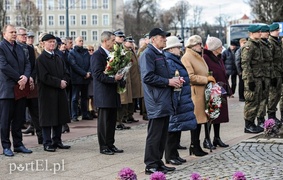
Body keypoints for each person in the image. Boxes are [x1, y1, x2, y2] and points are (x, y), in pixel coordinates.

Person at [140, 28, 182, 175]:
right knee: (155, 134)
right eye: (162, 37)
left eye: (165, 37)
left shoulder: (160, 53)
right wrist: (168, 82)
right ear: (153, 39)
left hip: (164, 99)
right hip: (156, 100)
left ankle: (158, 162)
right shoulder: (148, 54)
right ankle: (150, 164)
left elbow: (164, 74)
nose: (165, 39)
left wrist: (175, 80)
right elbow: (148, 77)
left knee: (162, 133)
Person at [164, 36, 197, 165]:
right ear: (171, 49)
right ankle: (170, 155)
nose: (180, 49)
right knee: (172, 128)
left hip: (180, 97)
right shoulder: (170, 61)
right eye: (178, 47)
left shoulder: (174, 60)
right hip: (176, 99)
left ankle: (174, 154)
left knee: (176, 128)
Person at [0, 24, 32, 156]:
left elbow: (27, 63)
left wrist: (25, 76)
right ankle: (6, 146)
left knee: (19, 118)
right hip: (7, 89)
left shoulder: (19, 48)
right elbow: (3, 66)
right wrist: (19, 77)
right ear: (4, 34)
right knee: (5, 120)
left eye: (15, 32)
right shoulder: (1, 47)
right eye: (11, 32)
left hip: (20, 88)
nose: (14, 34)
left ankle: (18, 144)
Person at [90, 31, 124, 155]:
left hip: (113, 92)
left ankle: (110, 143)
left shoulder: (113, 54)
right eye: (112, 40)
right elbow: (97, 75)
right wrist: (113, 79)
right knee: (104, 122)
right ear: (105, 41)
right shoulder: (97, 55)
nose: (114, 43)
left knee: (111, 120)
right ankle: (103, 146)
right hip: (103, 93)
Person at [36, 34, 71, 152]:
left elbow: (66, 72)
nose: (52, 44)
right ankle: (47, 142)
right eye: (49, 42)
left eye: (53, 42)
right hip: (47, 93)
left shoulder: (58, 57)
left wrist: (65, 81)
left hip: (60, 91)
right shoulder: (41, 59)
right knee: (47, 118)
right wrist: (58, 82)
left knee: (59, 116)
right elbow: (44, 77)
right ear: (43, 43)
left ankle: (57, 140)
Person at [181, 35, 214, 156]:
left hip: (202, 91)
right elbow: (189, 77)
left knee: (201, 120)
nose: (201, 46)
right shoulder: (187, 57)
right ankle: (194, 145)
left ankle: (196, 145)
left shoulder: (198, 56)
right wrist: (206, 79)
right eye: (199, 44)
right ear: (193, 46)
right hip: (195, 92)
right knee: (196, 120)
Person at [16, 27, 43, 144]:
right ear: (17, 35)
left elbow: (33, 66)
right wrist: (22, 78)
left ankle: (42, 138)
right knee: (18, 114)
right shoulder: (14, 48)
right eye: (22, 35)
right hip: (19, 84)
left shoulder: (30, 49)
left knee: (36, 112)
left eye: (25, 35)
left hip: (31, 84)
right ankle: (18, 142)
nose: (25, 37)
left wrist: (31, 77)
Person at [203, 36, 230, 148]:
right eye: (219, 46)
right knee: (211, 115)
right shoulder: (206, 58)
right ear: (214, 48)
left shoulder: (218, 57)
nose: (221, 48)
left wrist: (227, 88)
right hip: (211, 90)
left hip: (220, 88)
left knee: (219, 115)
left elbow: (223, 72)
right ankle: (207, 139)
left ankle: (217, 138)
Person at [241, 25, 264, 133]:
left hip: (258, 77)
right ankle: (248, 125)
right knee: (251, 101)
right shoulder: (249, 46)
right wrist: (249, 80)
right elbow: (245, 64)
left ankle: (253, 123)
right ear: (251, 33)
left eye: (260, 31)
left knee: (257, 101)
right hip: (251, 78)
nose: (260, 33)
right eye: (258, 32)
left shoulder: (257, 44)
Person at [68, 36, 92, 122]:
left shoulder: (86, 52)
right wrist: (84, 73)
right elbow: (74, 65)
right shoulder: (72, 53)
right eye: (79, 41)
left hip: (86, 79)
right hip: (76, 79)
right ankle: (74, 115)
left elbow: (90, 63)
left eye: (82, 41)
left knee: (85, 97)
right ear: (76, 42)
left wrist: (89, 73)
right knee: (75, 97)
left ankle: (84, 114)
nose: (81, 42)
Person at [257, 25, 273, 128]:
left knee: (266, 98)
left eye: (268, 31)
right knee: (261, 100)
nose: (267, 33)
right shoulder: (260, 45)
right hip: (261, 76)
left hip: (268, 75)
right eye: (264, 32)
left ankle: (265, 119)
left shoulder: (268, 44)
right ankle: (260, 120)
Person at [268, 23, 283, 124]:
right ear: (271, 32)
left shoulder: (277, 42)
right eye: (276, 30)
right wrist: (272, 76)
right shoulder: (271, 43)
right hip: (274, 74)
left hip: (279, 73)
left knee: (278, 95)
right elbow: (270, 61)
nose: (278, 31)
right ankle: (271, 117)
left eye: (278, 30)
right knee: (273, 96)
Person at [86, 45, 98, 118]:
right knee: (88, 97)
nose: (91, 51)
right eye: (89, 50)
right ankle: (88, 110)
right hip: (87, 78)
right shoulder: (86, 58)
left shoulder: (94, 57)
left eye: (92, 50)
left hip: (93, 79)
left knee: (93, 96)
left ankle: (93, 110)